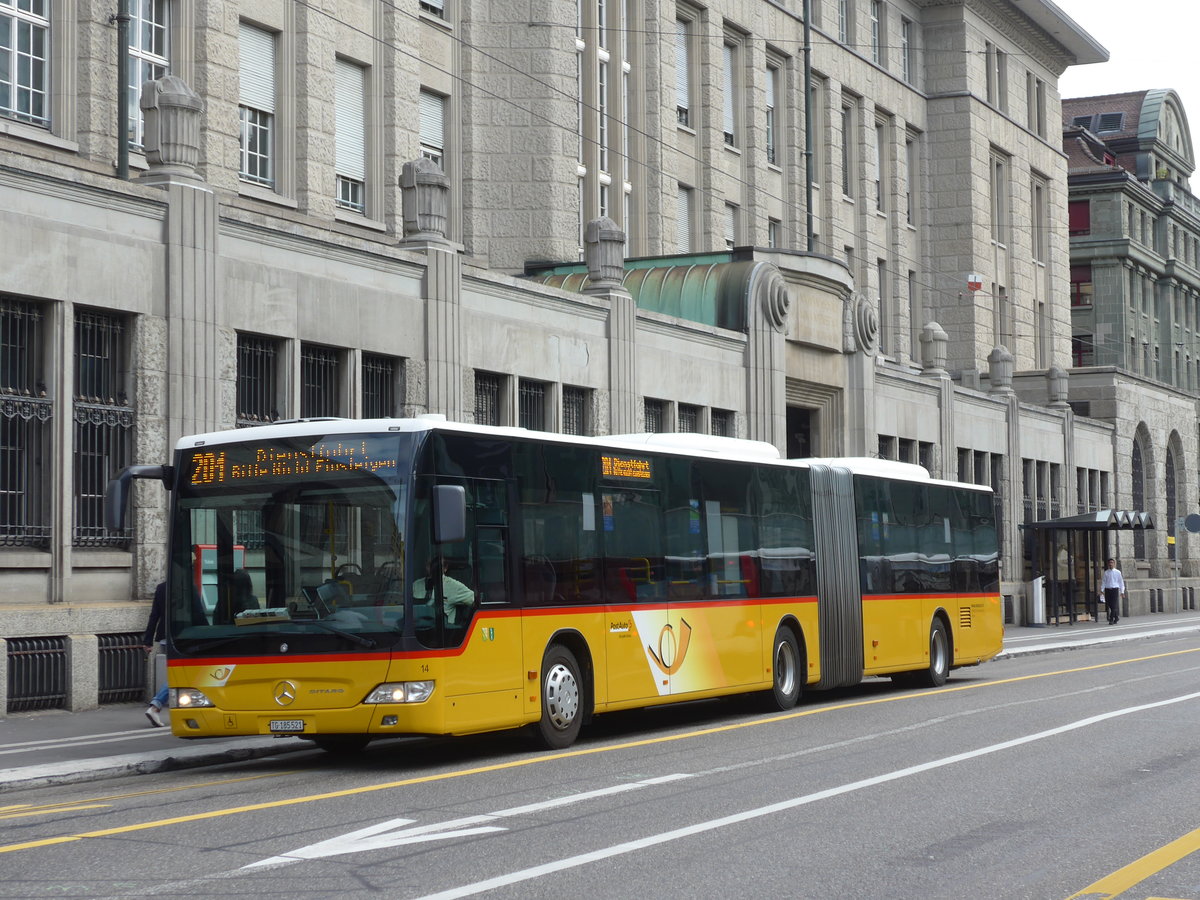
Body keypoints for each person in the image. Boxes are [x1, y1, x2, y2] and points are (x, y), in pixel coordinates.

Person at [411, 556, 475, 624]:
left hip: (444, 630)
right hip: (419, 628)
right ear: (426, 566)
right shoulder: (416, 585)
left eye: (437, 566)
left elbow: (476, 601)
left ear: (445, 568)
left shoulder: (453, 586)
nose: (432, 569)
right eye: (429, 565)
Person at [141, 581, 169, 727]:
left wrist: (148, 640)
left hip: (165, 637)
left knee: (175, 675)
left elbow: (154, 615)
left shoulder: (162, 587)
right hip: (182, 638)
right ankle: (156, 706)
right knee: (180, 676)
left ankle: (156, 706)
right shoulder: (188, 585)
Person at [1100, 557, 1127, 625]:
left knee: (1114, 605)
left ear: (1114, 564)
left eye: (1112, 563)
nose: (1111, 564)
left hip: (1115, 589)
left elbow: (1121, 582)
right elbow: (1104, 582)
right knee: (1109, 604)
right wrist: (1102, 590)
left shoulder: (1118, 572)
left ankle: (1111, 619)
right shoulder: (1106, 572)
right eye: (1109, 563)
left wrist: (1122, 591)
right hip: (1108, 589)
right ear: (1108, 564)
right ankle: (1116, 617)